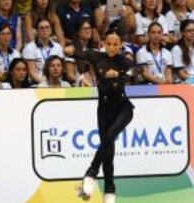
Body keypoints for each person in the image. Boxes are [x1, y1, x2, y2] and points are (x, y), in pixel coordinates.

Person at [65, 29, 135, 203]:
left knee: (110, 137)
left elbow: (135, 70)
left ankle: (91, 172)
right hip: (103, 110)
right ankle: (109, 190)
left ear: (120, 45)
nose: (112, 48)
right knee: (108, 150)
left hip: (123, 109)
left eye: (115, 44)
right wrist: (70, 51)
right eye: (109, 44)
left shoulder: (123, 61)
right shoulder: (97, 57)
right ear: (104, 44)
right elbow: (80, 53)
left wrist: (119, 74)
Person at [22, 18, 64, 84]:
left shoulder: (57, 47)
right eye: (41, 28)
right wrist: (44, 84)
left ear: (51, 30)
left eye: (47, 27)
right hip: (36, 84)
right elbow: (31, 72)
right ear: (37, 31)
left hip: (55, 83)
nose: (44, 30)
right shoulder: (30, 47)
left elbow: (60, 69)